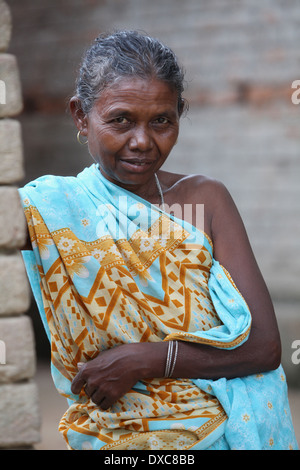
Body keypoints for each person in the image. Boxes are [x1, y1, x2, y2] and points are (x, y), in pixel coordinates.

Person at [19, 30, 298, 450]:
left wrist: (146, 359)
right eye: (120, 120)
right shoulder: (49, 208)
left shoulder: (206, 198)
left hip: (228, 431)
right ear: (81, 116)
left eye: (162, 121)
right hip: (117, 438)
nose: (142, 142)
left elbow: (264, 347)